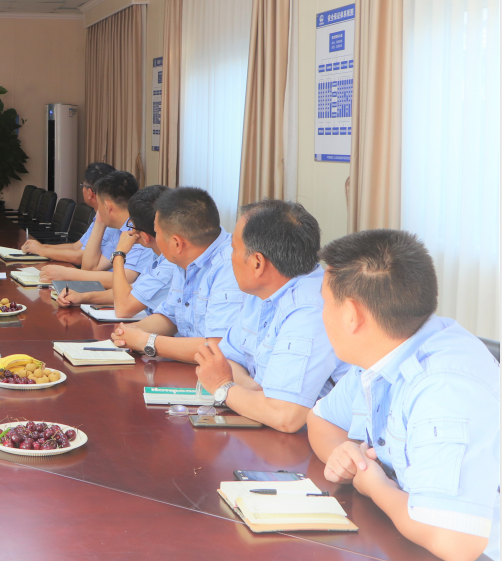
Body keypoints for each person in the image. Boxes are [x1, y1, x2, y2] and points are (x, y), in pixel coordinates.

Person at [307, 230, 499, 561]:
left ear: (352, 315)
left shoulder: (445, 388)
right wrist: (344, 453)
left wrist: (374, 485)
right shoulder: (383, 352)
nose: (321, 314)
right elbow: (320, 420)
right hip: (404, 539)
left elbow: (455, 542)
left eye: (324, 303)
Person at [192, 200, 347, 433]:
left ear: (257, 263)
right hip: (271, 432)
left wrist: (224, 387)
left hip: (319, 445)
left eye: (233, 249)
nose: (230, 256)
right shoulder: (262, 293)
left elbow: (285, 416)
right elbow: (225, 360)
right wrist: (257, 394)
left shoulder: (311, 310)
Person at [109, 187, 244, 363]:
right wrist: (131, 331)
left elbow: (218, 348)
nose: (155, 238)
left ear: (177, 244)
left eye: (157, 233)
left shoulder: (229, 266)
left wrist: (146, 341)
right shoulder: (185, 260)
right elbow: (171, 316)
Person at [58, 185, 172, 313]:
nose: (129, 229)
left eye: (131, 224)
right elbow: (134, 290)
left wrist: (119, 254)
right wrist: (84, 297)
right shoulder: (158, 255)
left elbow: (123, 307)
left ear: (144, 237)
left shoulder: (169, 265)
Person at [47, 171, 146, 289]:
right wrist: (100, 221)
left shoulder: (138, 231)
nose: (97, 210)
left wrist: (67, 274)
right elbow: (89, 268)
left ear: (107, 206)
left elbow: (125, 279)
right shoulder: (120, 230)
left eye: (99, 205)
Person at [20, 162, 116, 268]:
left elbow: (80, 257)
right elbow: (76, 247)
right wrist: (41, 247)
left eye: (82, 186)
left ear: (89, 193)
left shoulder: (111, 222)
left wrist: (42, 250)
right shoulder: (98, 217)